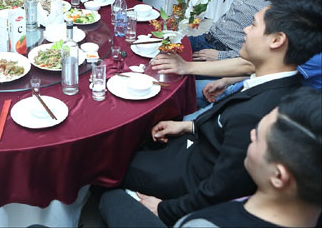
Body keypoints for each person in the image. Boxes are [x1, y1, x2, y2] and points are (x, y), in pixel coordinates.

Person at [115, 0, 321, 226]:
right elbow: (227, 127)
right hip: (194, 146)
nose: (245, 30)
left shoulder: (256, 113)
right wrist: (190, 125)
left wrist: (163, 209)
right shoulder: (281, 83)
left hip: (186, 175)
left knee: (112, 167)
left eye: (253, 24)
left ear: (276, 40)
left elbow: (220, 191)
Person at [99, 87, 322, 228]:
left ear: (278, 176)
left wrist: (163, 208)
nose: (251, 135)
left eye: (257, 137)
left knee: (109, 194)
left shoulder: (206, 223)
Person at [152, 0, 322, 106]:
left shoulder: (310, 45)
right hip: (248, 81)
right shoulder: (299, 26)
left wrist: (187, 67)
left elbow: (250, 65)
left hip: (268, 100)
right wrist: (226, 80)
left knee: (172, 92)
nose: (283, 1)